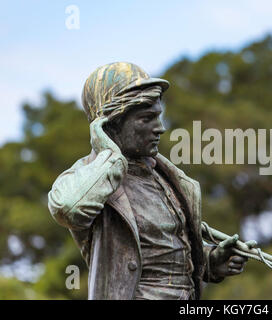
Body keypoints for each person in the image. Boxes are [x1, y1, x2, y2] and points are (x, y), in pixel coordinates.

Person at [48, 62, 248, 300]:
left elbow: (168, 252)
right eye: (147, 118)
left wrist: (210, 261)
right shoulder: (91, 178)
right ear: (109, 124)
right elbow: (68, 209)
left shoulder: (168, 179)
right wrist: (110, 156)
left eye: (158, 116)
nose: (160, 128)